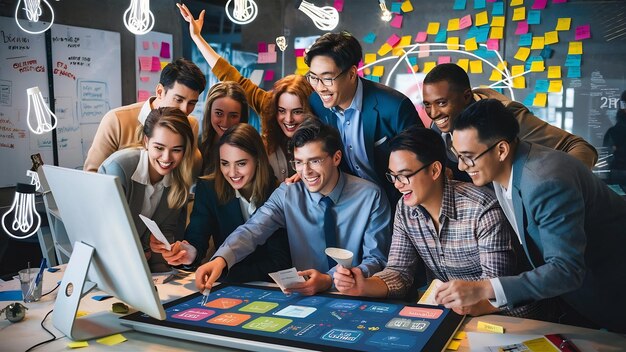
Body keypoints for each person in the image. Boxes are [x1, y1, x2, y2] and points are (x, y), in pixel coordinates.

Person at [434, 99, 626, 333]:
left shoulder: (546, 182)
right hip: (581, 297)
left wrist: (484, 288)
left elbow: (566, 270)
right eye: (457, 156)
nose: (462, 167)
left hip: (613, 291)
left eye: (468, 156)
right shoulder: (501, 169)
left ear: (501, 150)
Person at [333, 126, 544, 318]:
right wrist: (363, 285)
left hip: (509, 317)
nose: (398, 185)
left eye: (405, 176)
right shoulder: (405, 209)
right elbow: (399, 273)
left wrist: (464, 302)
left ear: (434, 170)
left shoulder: (482, 209)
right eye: (393, 176)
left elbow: (495, 286)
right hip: (454, 315)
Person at [194, 116, 391, 296]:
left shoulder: (370, 196)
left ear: (336, 158)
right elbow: (253, 230)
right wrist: (220, 260)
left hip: (356, 294)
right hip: (303, 296)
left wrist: (331, 278)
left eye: (314, 161)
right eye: (299, 162)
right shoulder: (287, 193)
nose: (306, 172)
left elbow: (376, 259)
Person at [178, 3, 314, 181]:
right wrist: (197, 38)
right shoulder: (268, 105)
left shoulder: (321, 123)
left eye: (297, 112)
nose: (288, 119)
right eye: (282, 111)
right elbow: (229, 75)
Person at [150, 124, 291, 282]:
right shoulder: (208, 189)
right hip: (224, 284)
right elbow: (198, 236)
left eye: (241, 163)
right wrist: (188, 254)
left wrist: (222, 271)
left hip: (268, 285)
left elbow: (280, 262)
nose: (232, 173)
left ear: (258, 160)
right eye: (225, 163)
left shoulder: (277, 193)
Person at [421, 63, 597, 181]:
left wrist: (558, 186)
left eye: (442, 103)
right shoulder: (438, 128)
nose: (434, 113)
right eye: (427, 105)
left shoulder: (506, 117)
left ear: (467, 96)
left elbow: (580, 147)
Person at [304, 31, 422, 204]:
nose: (319, 87)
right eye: (313, 78)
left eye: (327, 78)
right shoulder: (316, 103)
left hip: (397, 201)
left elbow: (422, 160)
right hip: (350, 203)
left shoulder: (395, 106)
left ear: (352, 74)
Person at [98, 107, 196, 272]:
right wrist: (140, 253)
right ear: (146, 141)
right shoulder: (117, 169)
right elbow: (103, 233)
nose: (167, 158)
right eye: (159, 148)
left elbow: (167, 233)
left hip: (147, 270)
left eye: (176, 150)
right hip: (109, 266)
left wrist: (168, 253)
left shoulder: (180, 179)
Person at [85, 58, 205, 175]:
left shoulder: (191, 124)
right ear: (159, 92)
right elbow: (92, 175)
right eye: (178, 99)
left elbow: (186, 173)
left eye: (192, 103)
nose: (185, 110)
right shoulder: (116, 121)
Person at [199, 81, 249, 175]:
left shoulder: (251, 146)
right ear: (209, 112)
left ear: (242, 117)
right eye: (219, 113)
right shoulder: (196, 145)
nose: (225, 122)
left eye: (233, 116)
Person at [603, 101, 626, 183]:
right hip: (618, 171)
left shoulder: (613, 131)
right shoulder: (613, 132)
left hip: (616, 171)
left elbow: (608, 154)